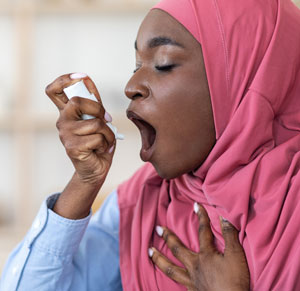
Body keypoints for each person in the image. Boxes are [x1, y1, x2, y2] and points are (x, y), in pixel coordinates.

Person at [1, 0, 300, 289]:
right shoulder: (143, 202)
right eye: (135, 67)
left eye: (163, 63)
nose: (131, 87)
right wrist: (84, 182)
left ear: (245, 77)